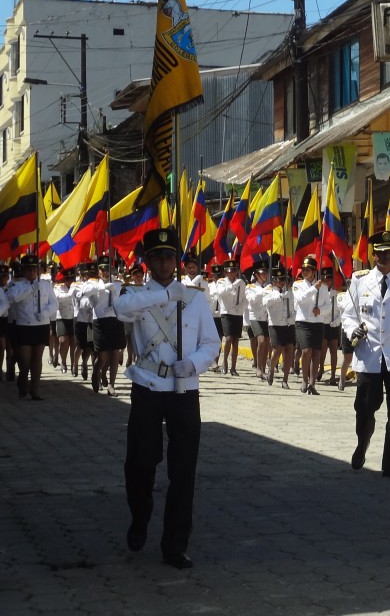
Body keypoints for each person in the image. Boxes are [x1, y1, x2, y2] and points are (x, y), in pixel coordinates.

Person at [114, 227, 219, 570]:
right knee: (140, 463)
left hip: (184, 390)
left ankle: (175, 545)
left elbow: (211, 344)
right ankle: (140, 516)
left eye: (170, 256)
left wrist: (194, 363)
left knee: (183, 471)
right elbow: (120, 308)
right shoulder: (136, 295)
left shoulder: (195, 298)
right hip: (147, 387)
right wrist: (164, 296)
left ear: (178, 260)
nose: (164, 262)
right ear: (147, 261)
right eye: (157, 256)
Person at [341, 230, 390, 477]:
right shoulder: (359, 281)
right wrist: (354, 330)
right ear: (373, 255)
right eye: (381, 253)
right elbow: (348, 314)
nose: (386, 257)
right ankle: (362, 444)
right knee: (364, 409)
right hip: (368, 355)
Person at [7, 254, 58, 400]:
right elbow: (12, 298)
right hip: (23, 326)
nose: (32, 272)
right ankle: (23, 379)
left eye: (34, 269)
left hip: (40, 325)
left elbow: (54, 304)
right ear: (23, 270)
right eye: (28, 269)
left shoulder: (46, 285)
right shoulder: (17, 285)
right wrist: (30, 289)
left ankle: (34, 389)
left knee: (37, 358)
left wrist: (45, 313)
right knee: (25, 360)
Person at [84, 256, 126, 396]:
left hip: (115, 320)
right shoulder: (93, 284)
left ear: (112, 270)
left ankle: (112, 385)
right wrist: (102, 287)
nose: (105, 272)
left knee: (114, 354)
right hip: (100, 321)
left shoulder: (119, 284)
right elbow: (86, 292)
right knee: (103, 356)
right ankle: (96, 371)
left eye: (107, 269)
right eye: (102, 269)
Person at [293, 255, 329, 395]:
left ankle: (313, 383)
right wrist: (314, 288)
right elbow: (301, 299)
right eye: (303, 269)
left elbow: (329, 305)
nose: (304, 271)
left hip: (318, 322)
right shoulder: (297, 285)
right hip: (303, 322)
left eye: (308, 269)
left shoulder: (323, 288)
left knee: (316, 353)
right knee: (306, 350)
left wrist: (321, 310)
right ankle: (304, 379)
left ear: (314, 271)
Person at [210, 260, 245, 376]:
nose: (231, 274)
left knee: (236, 341)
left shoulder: (241, 283)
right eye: (229, 272)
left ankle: (233, 367)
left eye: (234, 271)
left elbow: (244, 297)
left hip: (237, 314)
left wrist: (241, 307)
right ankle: (224, 362)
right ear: (225, 272)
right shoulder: (221, 282)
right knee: (228, 338)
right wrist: (233, 286)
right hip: (226, 313)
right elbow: (220, 293)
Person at [263, 267, 295, 388]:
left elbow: (296, 307)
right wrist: (280, 297)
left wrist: (292, 318)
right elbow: (266, 303)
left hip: (288, 324)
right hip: (275, 324)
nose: (281, 283)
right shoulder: (269, 290)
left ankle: (285, 379)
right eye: (279, 280)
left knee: (289, 350)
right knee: (277, 350)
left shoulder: (290, 291)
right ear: (274, 281)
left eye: (283, 280)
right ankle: (271, 368)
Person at [245, 264, 270, 380]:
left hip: (266, 317)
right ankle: (258, 367)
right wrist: (265, 290)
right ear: (256, 275)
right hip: (255, 317)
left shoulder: (269, 287)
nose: (265, 275)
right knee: (261, 340)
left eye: (266, 273)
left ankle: (263, 368)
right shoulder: (250, 287)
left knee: (266, 344)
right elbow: (253, 300)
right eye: (262, 273)